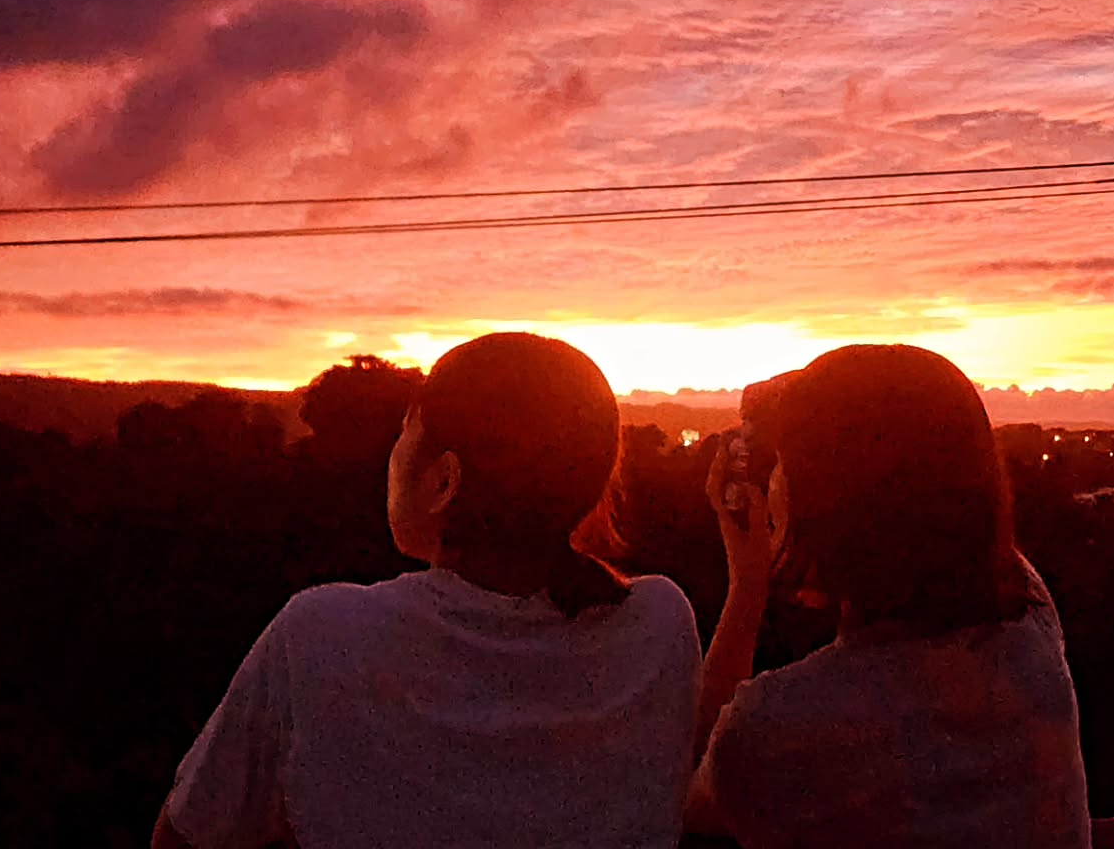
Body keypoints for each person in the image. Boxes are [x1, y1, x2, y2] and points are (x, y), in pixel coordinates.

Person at [153, 332, 702, 849]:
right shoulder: (659, 622)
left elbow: (185, 836)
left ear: (445, 480)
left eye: (403, 433)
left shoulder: (322, 634)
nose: (390, 457)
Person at [688, 343, 1092, 848]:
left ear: (822, 498)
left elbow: (685, 795)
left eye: (781, 468)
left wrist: (747, 587)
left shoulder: (781, 727)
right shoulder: (1031, 626)